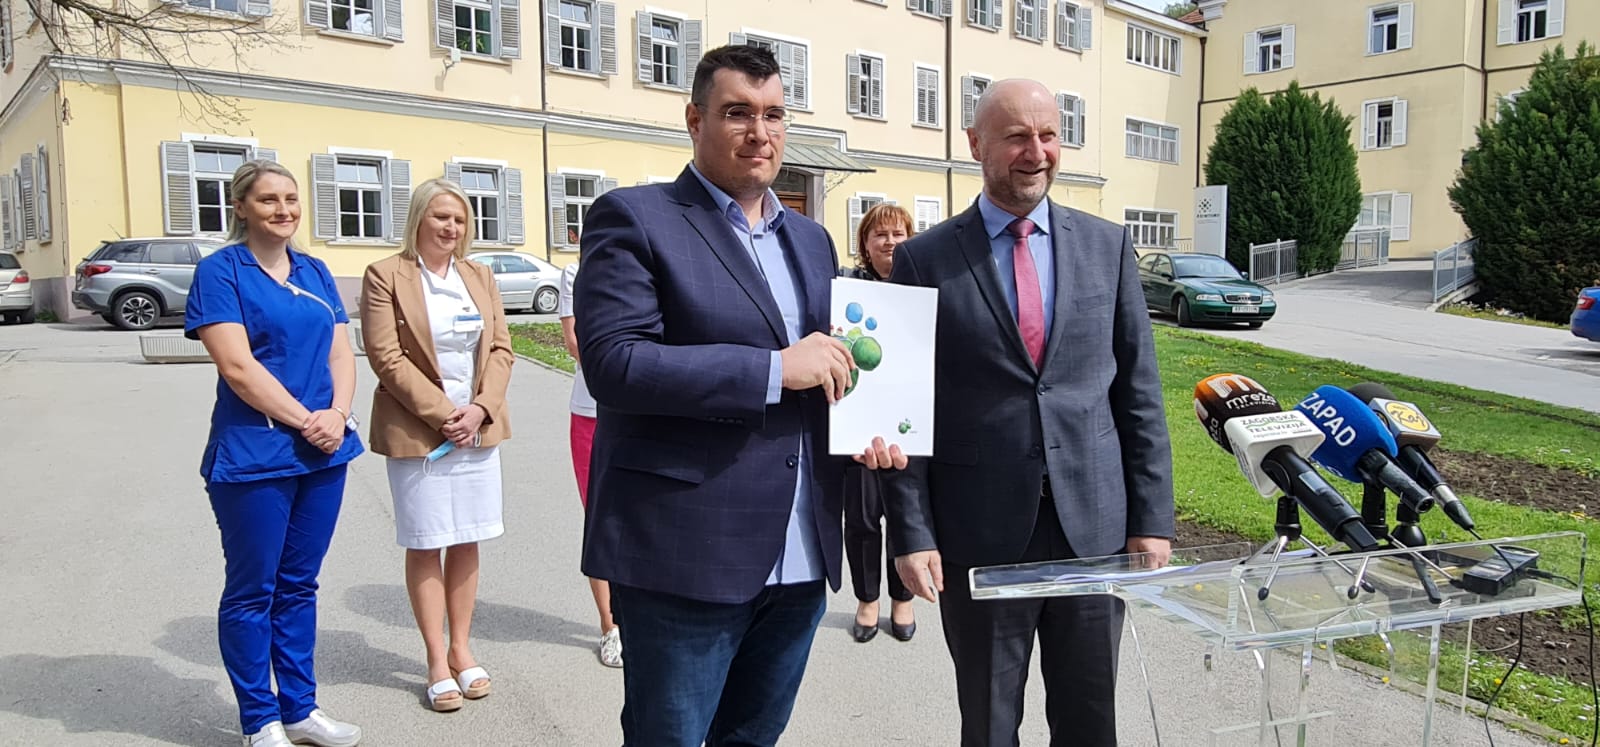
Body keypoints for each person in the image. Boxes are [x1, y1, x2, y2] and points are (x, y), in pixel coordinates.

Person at [573, 44, 904, 746]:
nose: (760, 132)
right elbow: (615, 363)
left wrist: (865, 426)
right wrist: (773, 370)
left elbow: (827, 369)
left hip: (800, 550)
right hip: (684, 551)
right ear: (695, 120)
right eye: (737, 113)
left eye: (774, 114)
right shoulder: (634, 218)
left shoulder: (811, 240)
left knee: (754, 738)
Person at [882, 79, 1176, 747]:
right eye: (1017, 136)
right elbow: (902, 409)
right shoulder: (923, 260)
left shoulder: (1107, 246)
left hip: (1095, 529)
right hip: (979, 531)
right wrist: (911, 532)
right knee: (989, 725)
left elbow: (1138, 392)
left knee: (1091, 721)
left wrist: (1152, 519)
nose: (1036, 152)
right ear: (975, 144)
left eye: (1048, 135)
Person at [185, 160, 366, 747]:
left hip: (324, 454)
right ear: (240, 207)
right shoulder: (221, 272)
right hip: (254, 455)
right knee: (252, 590)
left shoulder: (314, 270)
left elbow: (341, 353)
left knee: (299, 585)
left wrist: (337, 413)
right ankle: (259, 721)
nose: (284, 209)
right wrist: (307, 420)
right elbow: (237, 366)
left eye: (290, 198)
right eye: (268, 200)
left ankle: (300, 709)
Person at [359, 178, 515, 713]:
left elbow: (501, 348)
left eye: (460, 219)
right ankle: (433, 659)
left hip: (476, 429)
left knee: (468, 538)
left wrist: (479, 409)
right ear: (419, 219)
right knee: (427, 541)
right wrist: (446, 414)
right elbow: (386, 356)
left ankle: (461, 648)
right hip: (420, 432)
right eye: (441, 217)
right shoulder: (386, 275)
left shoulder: (479, 275)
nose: (451, 228)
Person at [843, 204, 918, 643]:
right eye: (880, 235)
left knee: (905, 516)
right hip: (859, 426)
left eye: (898, 234)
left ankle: (902, 599)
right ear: (865, 244)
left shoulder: (924, 286)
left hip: (909, 426)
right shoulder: (846, 291)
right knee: (863, 519)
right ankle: (867, 599)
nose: (890, 242)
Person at [558, 260, 622, 668]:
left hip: (646, 412)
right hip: (592, 412)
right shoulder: (575, 272)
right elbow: (575, 342)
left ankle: (644, 617)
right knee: (600, 518)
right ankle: (610, 624)